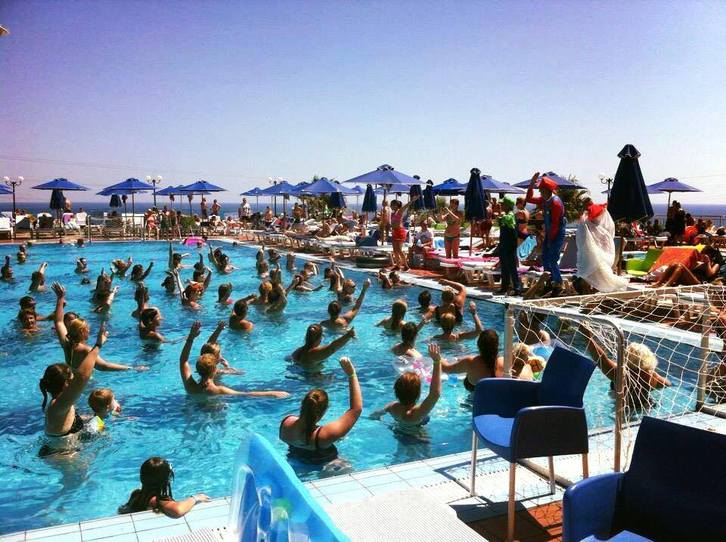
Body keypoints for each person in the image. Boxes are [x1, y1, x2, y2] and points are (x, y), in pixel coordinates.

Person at [279, 357, 362, 463]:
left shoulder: (286, 423)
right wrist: (352, 374)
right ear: (324, 410)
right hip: (325, 465)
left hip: (294, 460)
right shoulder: (324, 435)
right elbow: (356, 409)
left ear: (302, 405)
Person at [39, 322, 105, 456]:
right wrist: (98, 345)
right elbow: (82, 377)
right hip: (62, 457)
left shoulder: (61, 403)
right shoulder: (58, 405)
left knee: (100, 421)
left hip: (64, 449)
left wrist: (99, 415)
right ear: (65, 384)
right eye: (71, 377)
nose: (74, 378)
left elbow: (59, 323)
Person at [179, 321, 288, 397]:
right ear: (214, 370)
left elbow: (183, 361)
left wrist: (191, 338)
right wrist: (273, 393)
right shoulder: (219, 390)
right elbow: (247, 394)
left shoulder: (190, 387)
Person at [52, 282, 139, 371]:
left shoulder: (66, 344)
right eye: (87, 329)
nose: (89, 331)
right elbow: (104, 366)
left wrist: (60, 298)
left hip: (69, 376)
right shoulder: (85, 350)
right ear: (82, 332)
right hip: (84, 379)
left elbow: (59, 322)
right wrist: (132, 368)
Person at [580, 324, 670, 408]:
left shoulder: (620, 373)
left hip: (624, 409)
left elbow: (601, 358)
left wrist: (588, 337)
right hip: (646, 407)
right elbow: (667, 384)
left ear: (627, 356)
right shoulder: (652, 376)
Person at [371, 343, 441, 427]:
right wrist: (437, 361)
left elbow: (374, 415)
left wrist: (385, 424)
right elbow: (435, 394)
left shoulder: (392, 407)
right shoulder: (416, 413)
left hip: (397, 432)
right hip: (416, 434)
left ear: (396, 392)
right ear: (418, 394)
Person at [119, 457, 211, 517]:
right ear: (166, 479)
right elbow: (178, 511)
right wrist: (195, 498)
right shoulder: (155, 500)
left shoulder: (136, 493)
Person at [526, 172, 566, 295]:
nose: (540, 192)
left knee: (552, 258)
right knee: (545, 258)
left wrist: (550, 240)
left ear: (547, 190)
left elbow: (555, 224)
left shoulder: (556, 203)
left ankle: (559, 283)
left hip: (557, 232)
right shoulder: (544, 200)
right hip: (550, 232)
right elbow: (528, 199)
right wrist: (531, 184)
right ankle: (549, 281)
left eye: (541, 190)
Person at [575, 201, 629, 293]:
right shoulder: (597, 229)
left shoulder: (588, 226)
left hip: (592, 260)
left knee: (594, 273)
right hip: (596, 259)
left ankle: (589, 288)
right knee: (597, 273)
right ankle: (590, 288)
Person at [439, 329, 503, 391]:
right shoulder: (503, 362)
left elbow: (446, 369)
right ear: (497, 345)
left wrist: (438, 357)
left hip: (475, 398)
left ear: (478, 344)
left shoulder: (470, 362)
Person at [290, 324, 355, 371]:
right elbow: (332, 348)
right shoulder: (314, 353)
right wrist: (348, 335)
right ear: (320, 337)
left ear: (306, 336)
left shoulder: (297, 351)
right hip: (314, 380)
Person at [496, 196, 521, 295]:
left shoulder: (510, 215)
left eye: (502, 204)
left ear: (507, 205)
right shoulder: (507, 215)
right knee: (504, 267)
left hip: (509, 245)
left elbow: (509, 220)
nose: (501, 205)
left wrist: (501, 217)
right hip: (504, 244)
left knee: (511, 267)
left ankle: (517, 288)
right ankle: (504, 287)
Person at [390, 196, 419, 270]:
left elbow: (406, 206)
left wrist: (412, 200)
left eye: (392, 205)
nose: (391, 206)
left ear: (396, 206)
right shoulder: (392, 213)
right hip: (394, 232)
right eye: (391, 205)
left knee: (399, 250)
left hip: (400, 232)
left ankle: (406, 266)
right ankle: (398, 266)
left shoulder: (400, 211)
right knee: (395, 251)